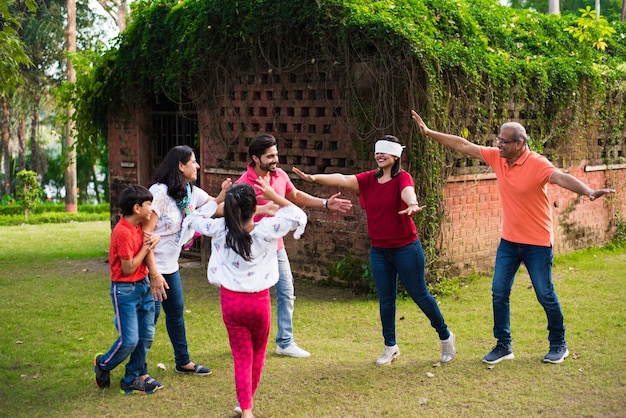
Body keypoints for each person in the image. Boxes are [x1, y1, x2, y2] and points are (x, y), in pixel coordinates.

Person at [411, 110, 616, 364]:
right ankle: (503, 346)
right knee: (499, 291)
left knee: (544, 294)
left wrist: (589, 191)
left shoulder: (537, 163)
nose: (498, 145)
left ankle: (558, 344)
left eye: (503, 141)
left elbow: (562, 177)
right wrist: (430, 133)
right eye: (497, 139)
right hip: (509, 241)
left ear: (519, 144)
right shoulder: (498, 158)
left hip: (538, 242)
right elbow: (464, 145)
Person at [292, 135, 457, 366]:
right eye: (378, 152)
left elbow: (408, 192)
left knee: (420, 295)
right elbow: (342, 178)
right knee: (386, 300)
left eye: (385, 152)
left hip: (406, 248)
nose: (380, 156)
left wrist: (412, 205)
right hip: (379, 250)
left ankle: (445, 337)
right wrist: (314, 178)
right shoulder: (368, 179)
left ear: (396, 155)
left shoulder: (402, 178)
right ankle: (390, 346)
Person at [179, 181, 308, 418]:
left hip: (231, 304)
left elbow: (193, 216)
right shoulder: (267, 230)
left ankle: (246, 408)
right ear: (254, 207)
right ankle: (246, 404)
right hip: (259, 304)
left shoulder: (219, 229)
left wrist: (219, 199)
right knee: (258, 355)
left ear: (229, 210)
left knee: (241, 357)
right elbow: (297, 213)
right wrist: (273, 197)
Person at [235, 134, 353, 358]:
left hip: (276, 246)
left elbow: (296, 195)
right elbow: (235, 216)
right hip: (251, 249)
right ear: (255, 158)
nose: (275, 159)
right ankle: (246, 342)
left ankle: (285, 341)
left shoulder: (279, 175)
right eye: (270, 156)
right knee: (251, 296)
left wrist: (326, 203)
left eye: (276, 154)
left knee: (286, 291)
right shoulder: (243, 184)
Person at [143, 145, 229, 375]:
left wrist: (251, 205)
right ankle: (137, 371)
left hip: (171, 268)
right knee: (149, 320)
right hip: (150, 269)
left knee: (176, 313)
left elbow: (216, 207)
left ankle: (183, 362)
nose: (198, 166)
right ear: (181, 166)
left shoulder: (189, 193)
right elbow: (146, 236)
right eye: (193, 161)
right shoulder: (159, 193)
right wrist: (153, 275)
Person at [93, 185, 165, 394]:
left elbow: (151, 234)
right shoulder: (123, 232)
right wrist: (146, 247)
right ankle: (103, 363)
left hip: (143, 287)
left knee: (147, 335)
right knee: (129, 340)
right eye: (148, 204)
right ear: (136, 208)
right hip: (125, 291)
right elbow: (128, 267)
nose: (152, 209)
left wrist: (154, 239)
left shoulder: (139, 225)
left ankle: (132, 377)